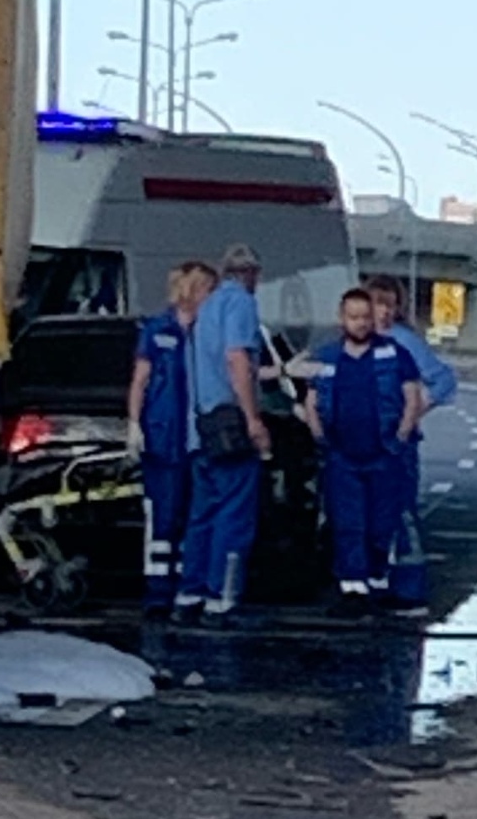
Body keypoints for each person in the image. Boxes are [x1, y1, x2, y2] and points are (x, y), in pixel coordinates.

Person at [303, 287, 426, 613]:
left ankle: (377, 581)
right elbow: (311, 402)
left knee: (381, 523)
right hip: (342, 457)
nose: (359, 323)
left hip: (383, 455)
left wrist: (400, 437)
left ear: (373, 319)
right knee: (347, 523)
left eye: (365, 317)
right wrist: (319, 435)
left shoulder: (395, 355)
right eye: (353, 317)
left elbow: (412, 397)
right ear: (342, 318)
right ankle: (352, 590)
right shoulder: (327, 358)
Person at [173, 243, 274, 627]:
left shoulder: (206, 308)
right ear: (252, 275)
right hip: (229, 427)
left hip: (200, 430)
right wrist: (253, 420)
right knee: (235, 514)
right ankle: (222, 598)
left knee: (202, 515)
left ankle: (190, 593)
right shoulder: (240, 305)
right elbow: (237, 360)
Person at [363, 272, 458, 612]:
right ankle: (375, 583)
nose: (381, 312)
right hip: (364, 443)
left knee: (401, 514)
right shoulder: (357, 343)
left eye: (388, 304)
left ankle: (410, 590)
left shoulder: (403, 342)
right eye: (376, 303)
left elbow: (443, 380)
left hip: (397, 444)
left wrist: (413, 412)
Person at [126, 261, 215, 616]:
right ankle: (158, 591)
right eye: (207, 288)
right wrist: (134, 423)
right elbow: (141, 380)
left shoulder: (207, 332)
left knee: (193, 516)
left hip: (196, 438)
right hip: (163, 436)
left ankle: (187, 587)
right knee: (162, 516)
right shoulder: (157, 330)